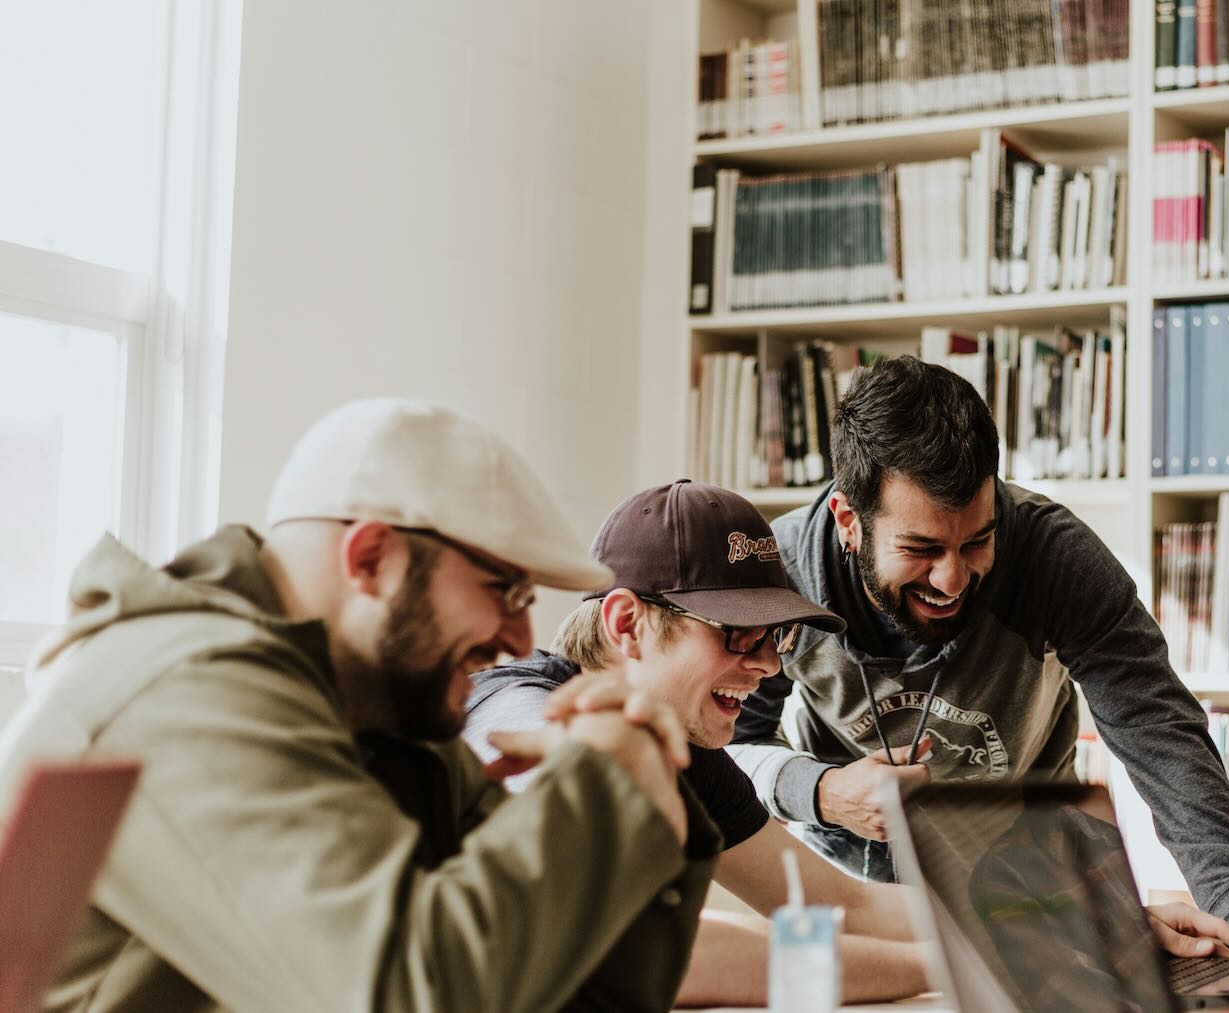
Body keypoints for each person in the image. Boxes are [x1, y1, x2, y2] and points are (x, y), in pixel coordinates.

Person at [0, 399, 716, 1012]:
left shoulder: (383, 715)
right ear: (371, 557)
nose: (521, 637)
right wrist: (600, 783)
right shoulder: (183, 693)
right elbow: (408, 992)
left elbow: (581, 993)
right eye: (503, 589)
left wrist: (647, 788)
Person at [464, 480, 1229, 1006]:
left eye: (778, 638)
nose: (767, 665)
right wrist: (994, 960)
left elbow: (837, 901)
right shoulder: (520, 714)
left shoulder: (685, 747)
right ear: (627, 622)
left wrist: (1084, 922)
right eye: (738, 635)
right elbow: (652, 948)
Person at [727, 355, 1229, 938]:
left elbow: (1162, 737)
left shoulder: (1055, 559)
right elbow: (725, 750)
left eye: (977, 541)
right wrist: (821, 791)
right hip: (850, 894)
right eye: (921, 549)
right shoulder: (779, 577)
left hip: (1028, 883)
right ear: (849, 520)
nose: (952, 580)